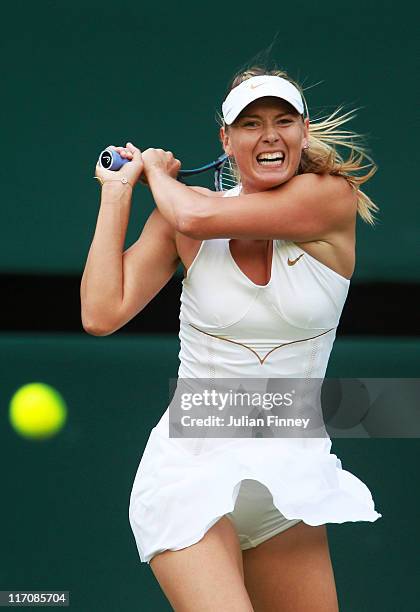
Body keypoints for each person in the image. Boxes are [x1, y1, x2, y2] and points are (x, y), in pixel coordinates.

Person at [81, 66, 382, 611]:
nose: (269, 134)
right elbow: (101, 312)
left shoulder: (328, 197)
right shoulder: (181, 215)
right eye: (250, 123)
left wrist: (157, 174)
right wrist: (118, 194)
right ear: (226, 139)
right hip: (188, 470)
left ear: (304, 132)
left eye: (283, 120)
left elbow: (194, 214)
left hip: (289, 479)